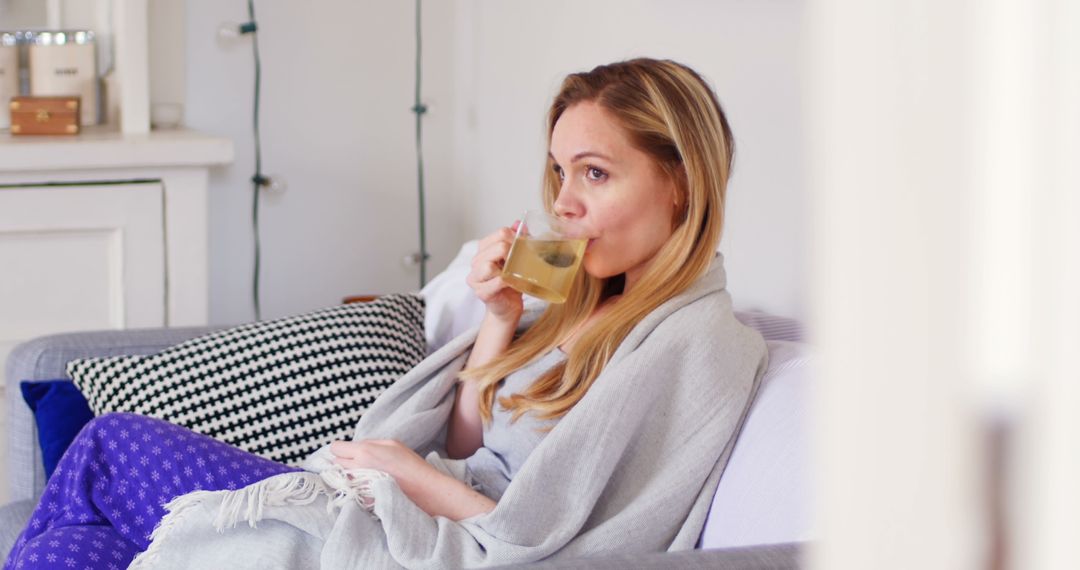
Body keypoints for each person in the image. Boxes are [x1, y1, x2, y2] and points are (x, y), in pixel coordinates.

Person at [6, 58, 768, 569]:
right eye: (561, 171)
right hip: (402, 506)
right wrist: (499, 319)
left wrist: (402, 469)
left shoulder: (699, 343)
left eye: (595, 173)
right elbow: (473, 442)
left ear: (679, 182)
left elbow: (544, 541)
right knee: (81, 545)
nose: (563, 201)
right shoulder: (582, 299)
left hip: (415, 535)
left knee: (106, 447)